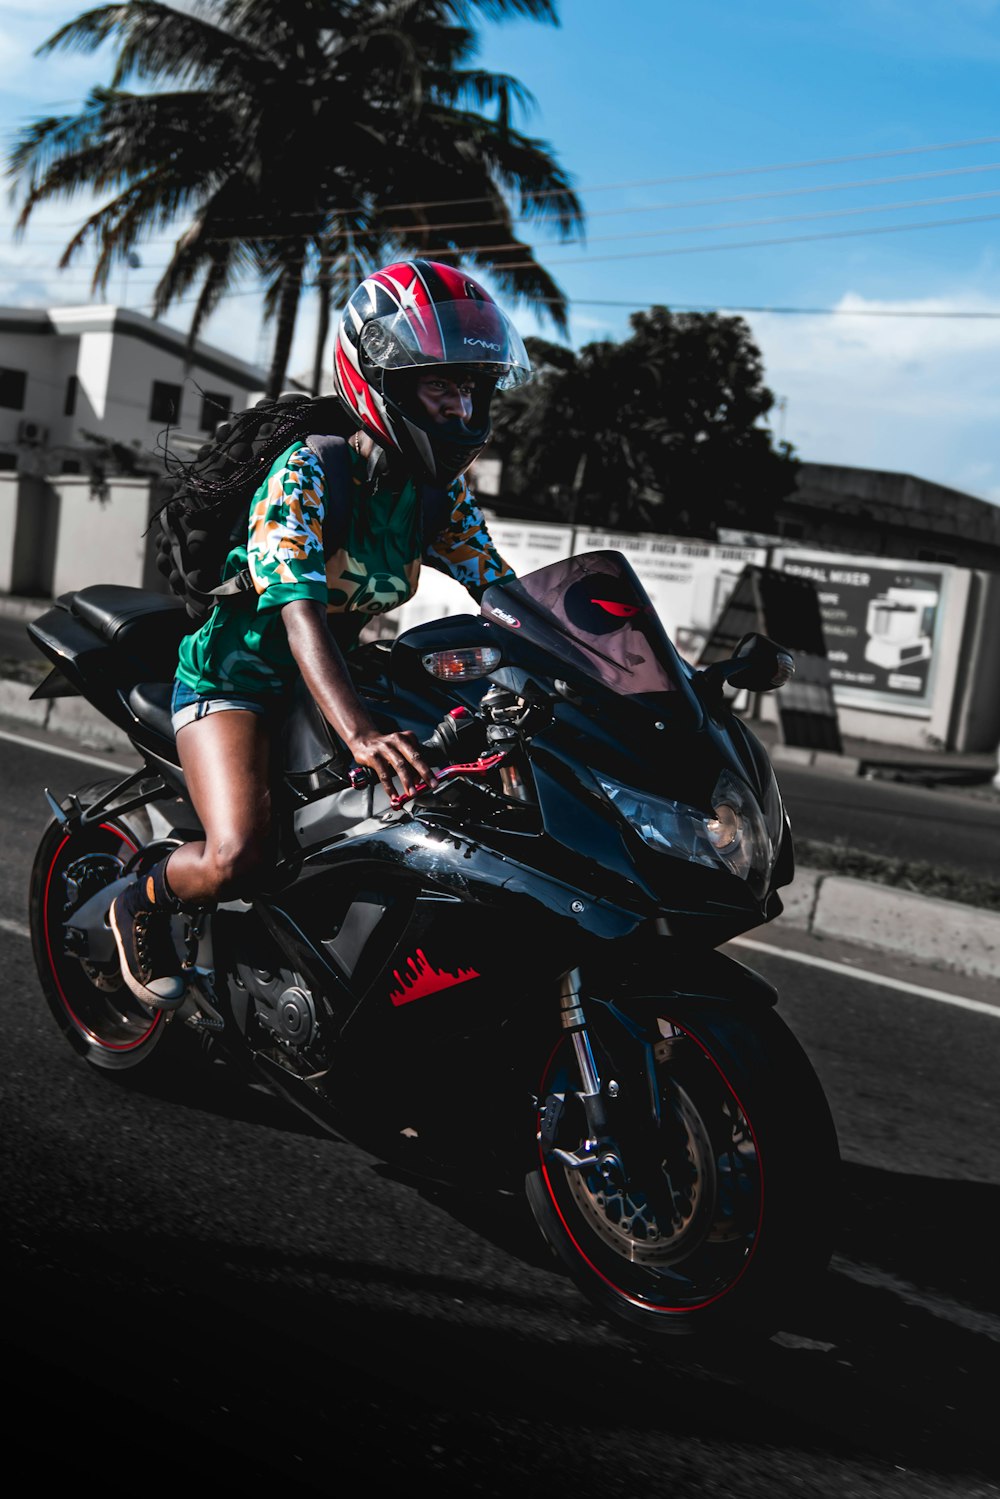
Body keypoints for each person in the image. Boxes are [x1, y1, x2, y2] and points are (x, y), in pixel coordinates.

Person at [109, 259, 532, 1006]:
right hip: (236, 684)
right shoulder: (310, 472)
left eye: (471, 386)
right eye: (442, 385)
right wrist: (362, 733)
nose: (461, 407)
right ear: (385, 380)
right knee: (240, 852)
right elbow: (298, 612)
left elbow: (504, 592)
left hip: (336, 678)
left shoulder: (437, 495)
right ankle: (141, 897)